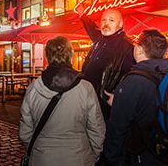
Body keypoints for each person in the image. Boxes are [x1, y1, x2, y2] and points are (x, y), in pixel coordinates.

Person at [19, 36, 105, 166]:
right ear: (70, 56)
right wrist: (93, 154)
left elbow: (25, 131)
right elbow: (96, 128)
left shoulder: (34, 88)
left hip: (42, 158)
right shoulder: (85, 88)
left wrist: (36, 148)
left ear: (47, 56)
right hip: (78, 157)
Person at [103, 29, 168, 165]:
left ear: (140, 50)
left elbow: (117, 128)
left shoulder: (134, 81)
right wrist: (121, 100)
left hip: (143, 154)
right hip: (166, 149)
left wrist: (111, 158)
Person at [77, 8, 135, 119]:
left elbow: (132, 79)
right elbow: (91, 29)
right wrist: (83, 15)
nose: (106, 23)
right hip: (87, 102)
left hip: (107, 108)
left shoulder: (127, 48)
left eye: (111, 20)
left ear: (120, 24)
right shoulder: (100, 40)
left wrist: (120, 98)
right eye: (103, 20)